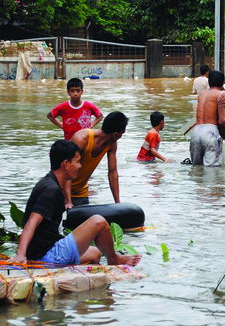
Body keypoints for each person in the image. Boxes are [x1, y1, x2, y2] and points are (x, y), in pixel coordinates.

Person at [10, 140, 141, 267]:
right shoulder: (51, 190)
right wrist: (20, 255)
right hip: (47, 255)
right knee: (98, 221)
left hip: (47, 248)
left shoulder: (49, 182)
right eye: (78, 162)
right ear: (66, 164)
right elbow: (31, 223)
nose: (80, 166)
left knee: (95, 253)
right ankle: (114, 259)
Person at [64, 111, 129, 207]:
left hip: (81, 192)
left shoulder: (112, 144)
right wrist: (68, 201)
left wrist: (117, 203)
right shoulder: (81, 139)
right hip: (62, 189)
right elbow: (66, 169)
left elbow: (112, 172)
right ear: (115, 134)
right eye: (121, 134)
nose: (121, 137)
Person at [191, 70, 225, 166]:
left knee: (197, 169)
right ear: (222, 83)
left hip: (195, 132)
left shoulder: (201, 95)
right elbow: (222, 121)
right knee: (212, 171)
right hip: (210, 133)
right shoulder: (221, 95)